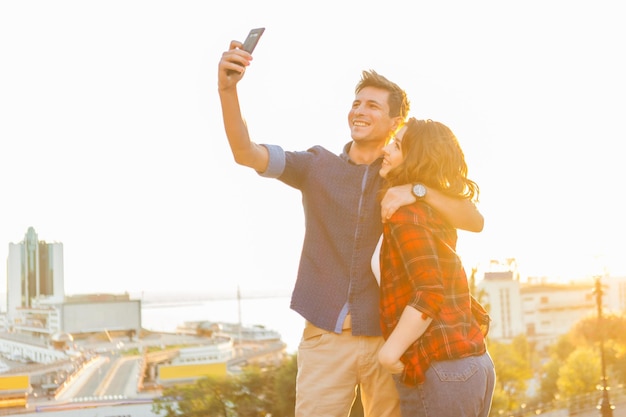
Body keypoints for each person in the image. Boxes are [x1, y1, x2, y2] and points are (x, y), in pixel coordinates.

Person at [217, 39, 484, 417]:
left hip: (387, 338)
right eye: (356, 103)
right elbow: (246, 152)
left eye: (372, 105)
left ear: (396, 123)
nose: (359, 110)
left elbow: (473, 220)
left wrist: (416, 189)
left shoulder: (404, 177)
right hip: (324, 337)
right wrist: (228, 90)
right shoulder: (315, 165)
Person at [374, 118, 496, 417]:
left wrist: (389, 353)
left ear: (415, 158)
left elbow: (429, 291)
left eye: (397, 145)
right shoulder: (434, 211)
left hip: (443, 369)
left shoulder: (406, 215)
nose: (385, 150)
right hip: (473, 364)